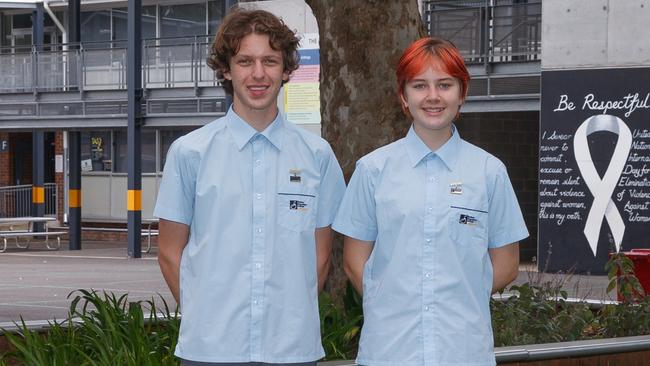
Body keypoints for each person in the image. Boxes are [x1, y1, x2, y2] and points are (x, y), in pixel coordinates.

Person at [154, 8, 345, 366]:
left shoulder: (317, 156)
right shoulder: (189, 153)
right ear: (226, 69)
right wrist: (205, 317)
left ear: (287, 69)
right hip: (208, 351)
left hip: (292, 350)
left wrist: (288, 320)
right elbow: (169, 253)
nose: (258, 74)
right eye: (245, 61)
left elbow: (320, 258)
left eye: (270, 61)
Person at [332, 37, 529, 366]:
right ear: (404, 96)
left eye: (445, 84)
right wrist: (396, 302)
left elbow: (507, 266)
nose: (433, 96)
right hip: (388, 353)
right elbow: (354, 264)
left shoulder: (490, 172)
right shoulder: (372, 171)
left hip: (464, 353)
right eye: (420, 85)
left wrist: (450, 299)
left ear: (462, 93)